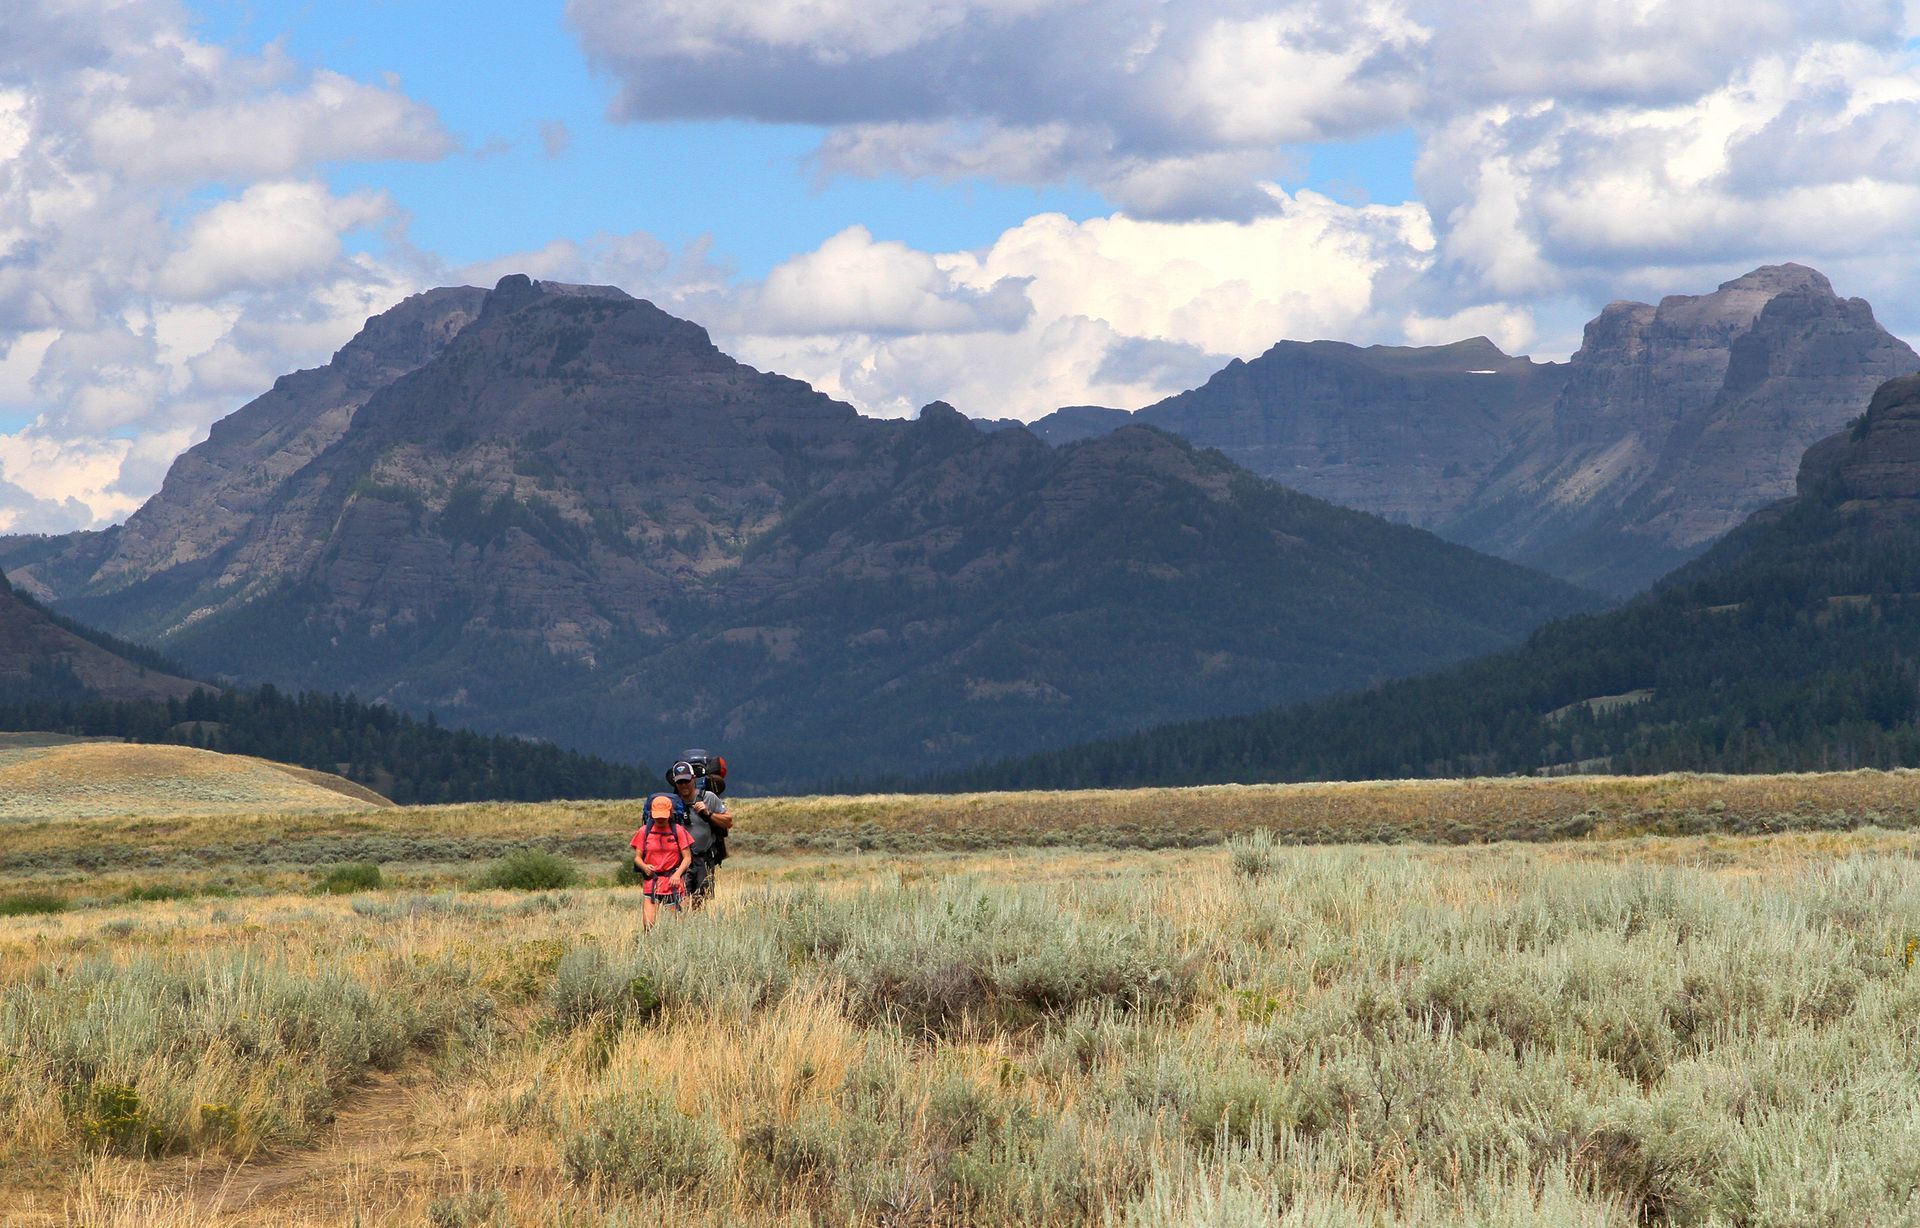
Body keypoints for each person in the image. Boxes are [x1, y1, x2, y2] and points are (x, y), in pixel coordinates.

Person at [671, 752, 732, 909]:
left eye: (686, 781)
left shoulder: (709, 798)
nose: (683, 785)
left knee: (700, 902)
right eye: (680, 782)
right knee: (680, 902)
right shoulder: (672, 803)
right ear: (675, 783)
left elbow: (728, 821)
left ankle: (696, 929)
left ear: (693, 779)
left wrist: (708, 813)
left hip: (703, 858)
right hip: (679, 861)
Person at [631, 788, 693, 930]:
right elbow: (637, 858)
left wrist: (677, 874)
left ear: (670, 813)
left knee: (678, 927)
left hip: (673, 883)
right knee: (648, 925)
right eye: (657, 816)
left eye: (663, 816)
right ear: (652, 814)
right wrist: (645, 867)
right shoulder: (644, 831)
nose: (660, 819)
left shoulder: (678, 830)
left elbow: (687, 858)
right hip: (652, 882)